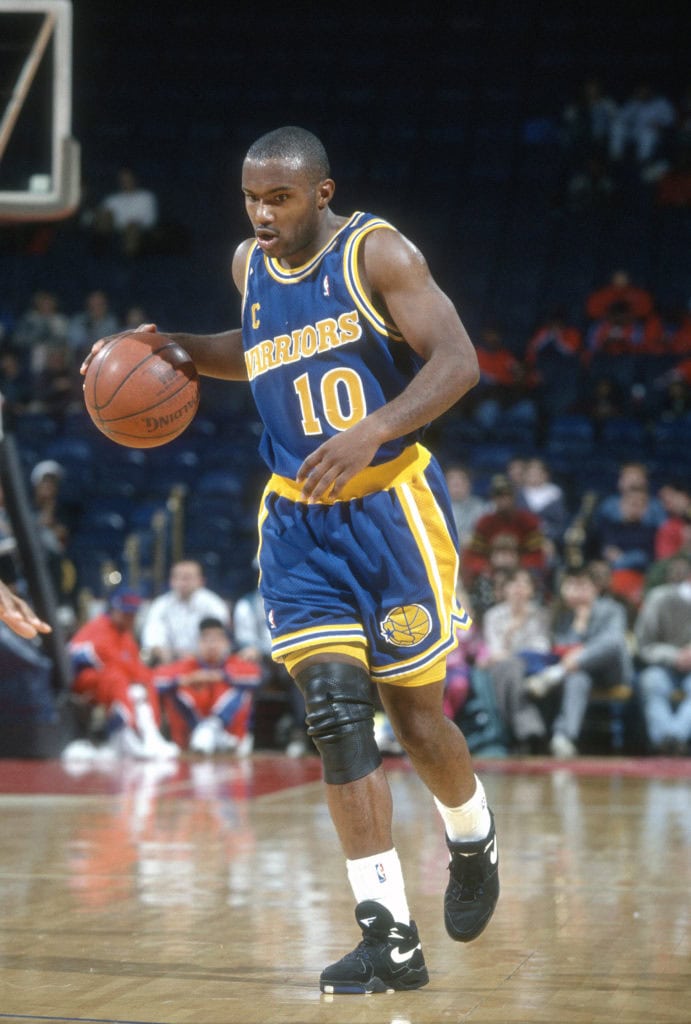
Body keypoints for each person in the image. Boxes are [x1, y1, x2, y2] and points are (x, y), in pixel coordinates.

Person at [82, 125, 499, 995]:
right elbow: (264, 353)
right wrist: (181, 352)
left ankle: (471, 834)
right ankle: (387, 933)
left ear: (320, 192)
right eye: (249, 199)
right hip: (297, 525)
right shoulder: (249, 266)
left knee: (418, 723)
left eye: (277, 198)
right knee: (338, 718)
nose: (260, 215)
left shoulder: (376, 254)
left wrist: (373, 429)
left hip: (390, 511)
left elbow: (458, 361)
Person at [525, 565, 632, 758]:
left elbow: (613, 644)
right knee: (578, 678)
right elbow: (558, 648)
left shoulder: (612, 609)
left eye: (583, 585)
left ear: (595, 588)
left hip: (611, 672)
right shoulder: (563, 615)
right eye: (572, 585)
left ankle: (554, 675)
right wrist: (578, 625)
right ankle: (563, 737)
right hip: (575, 672)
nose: (577, 591)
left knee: (611, 644)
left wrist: (581, 653)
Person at [67, 588, 179, 760]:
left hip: (109, 680)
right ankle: (126, 735)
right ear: (114, 609)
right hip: (84, 681)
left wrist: (145, 678)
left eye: (133, 614)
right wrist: (138, 677)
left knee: (144, 681)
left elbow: (134, 666)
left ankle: (150, 735)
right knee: (118, 678)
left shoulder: (124, 633)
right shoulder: (99, 628)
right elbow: (108, 662)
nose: (130, 618)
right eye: (126, 613)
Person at [154, 617, 262, 754]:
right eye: (206, 640)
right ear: (198, 643)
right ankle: (205, 731)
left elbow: (256, 677)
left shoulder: (234, 664)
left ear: (226, 643)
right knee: (174, 689)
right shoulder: (189, 666)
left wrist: (219, 676)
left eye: (216, 640)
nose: (211, 645)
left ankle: (213, 728)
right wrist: (186, 680)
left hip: (231, 737)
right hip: (190, 738)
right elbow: (156, 681)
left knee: (242, 688)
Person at [481, 568, 552, 753]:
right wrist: (511, 631)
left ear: (531, 590)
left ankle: (517, 735)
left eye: (525, 584)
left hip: (534, 667)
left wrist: (512, 655)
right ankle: (530, 731)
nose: (519, 588)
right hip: (503, 667)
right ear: (505, 589)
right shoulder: (493, 615)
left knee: (512, 669)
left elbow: (542, 648)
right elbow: (494, 651)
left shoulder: (540, 614)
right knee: (510, 670)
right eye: (514, 583)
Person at [634, 556, 691, 755]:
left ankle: (671, 738)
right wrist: (675, 656)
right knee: (651, 681)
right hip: (662, 665)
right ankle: (669, 740)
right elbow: (644, 644)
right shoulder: (657, 598)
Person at [139, 559, 230, 665]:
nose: (182, 582)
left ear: (201, 581)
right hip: (170, 661)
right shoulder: (160, 605)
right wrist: (161, 651)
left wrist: (195, 657)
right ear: (171, 581)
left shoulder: (213, 605)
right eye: (177, 577)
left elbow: (219, 641)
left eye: (187, 578)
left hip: (205, 662)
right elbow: (153, 637)